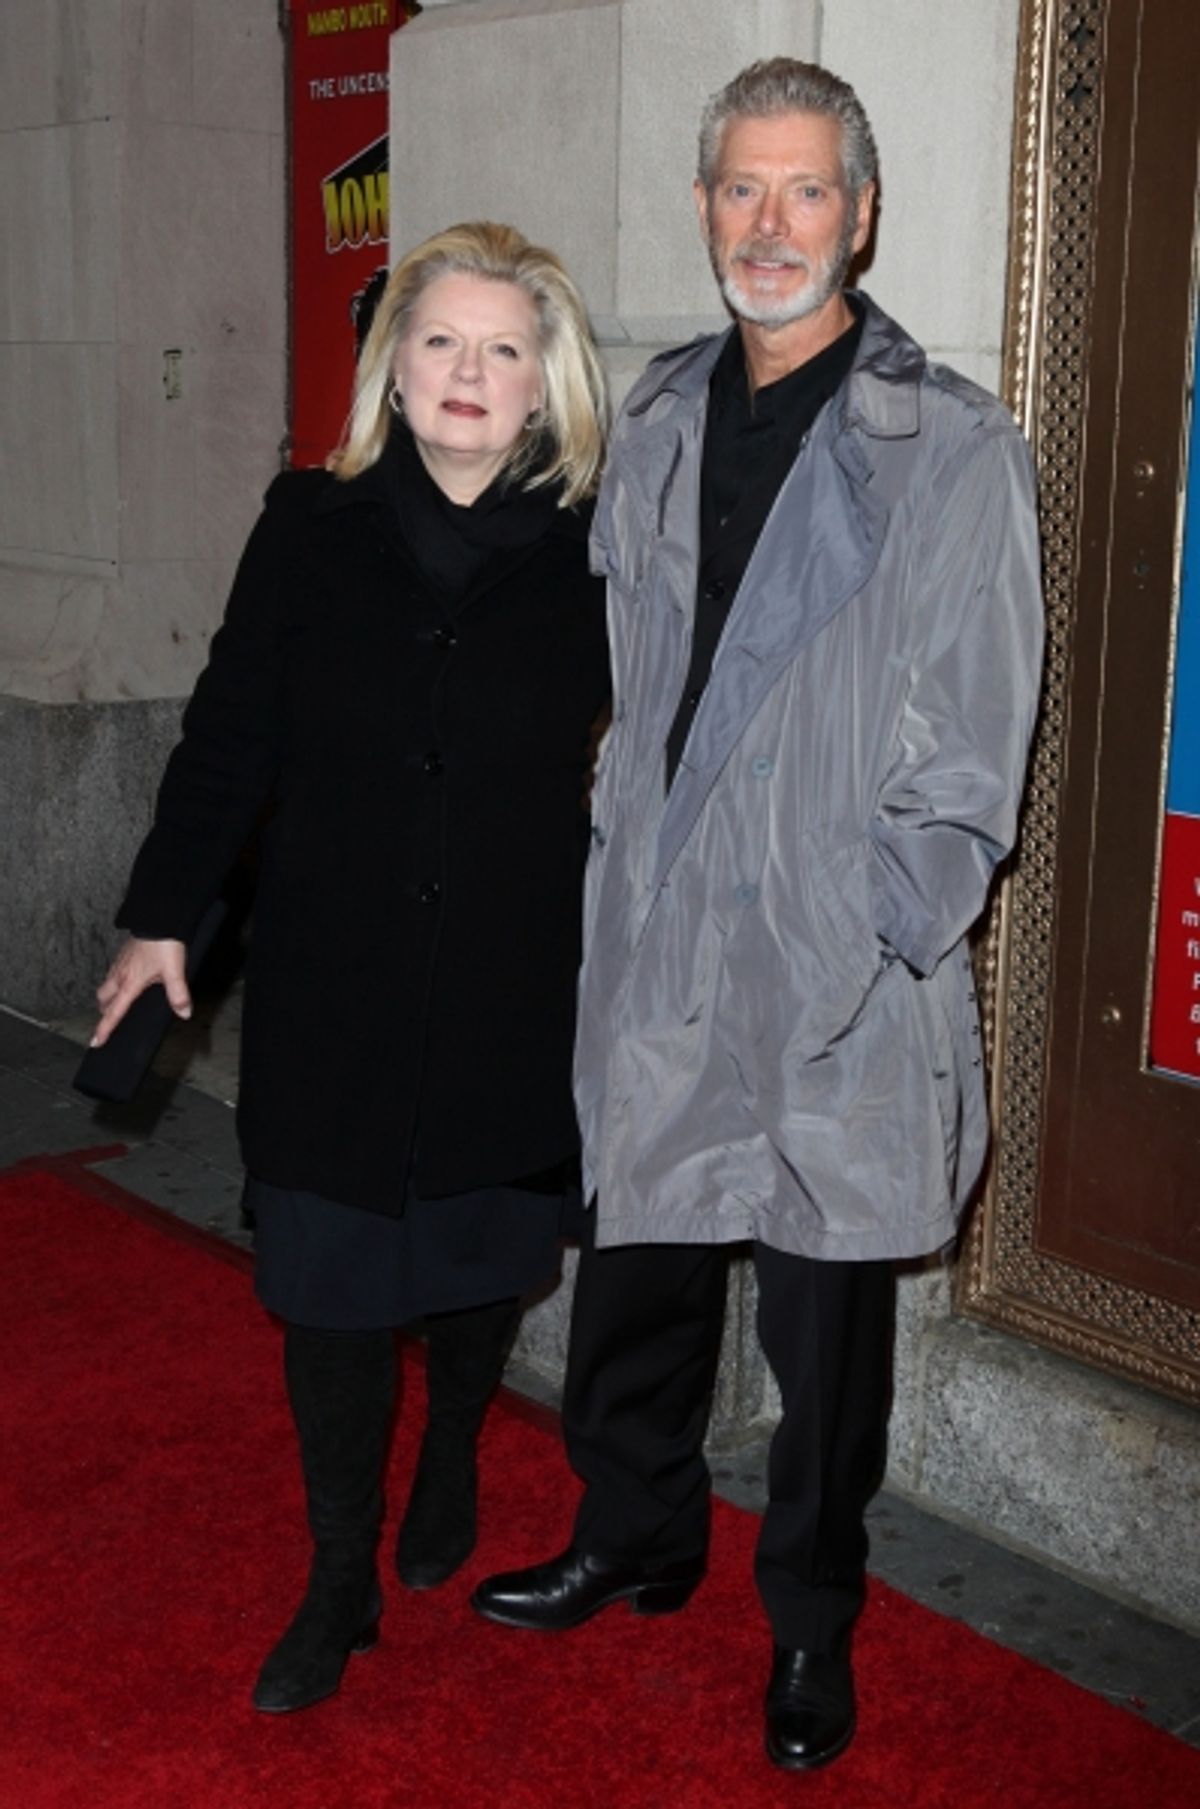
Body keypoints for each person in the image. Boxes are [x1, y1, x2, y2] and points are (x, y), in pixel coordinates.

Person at [472, 60, 1044, 1773]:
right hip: (659, 939)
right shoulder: (650, 416)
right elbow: (619, 675)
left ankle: (809, 1624)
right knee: (637, 1271)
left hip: (831, 964)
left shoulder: (948, 444)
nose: (770, 224)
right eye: (740, 189)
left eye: (806, 192)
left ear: (861, 215)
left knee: (823, 1330)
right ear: (707, 205)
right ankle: (635, 1532)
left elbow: (978, 739)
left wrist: (874, 926)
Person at [91, 221, 610, 1715]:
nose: (469, 371)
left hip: (513, 979)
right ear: (396, 364)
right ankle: (338, 1579)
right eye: (441, 340)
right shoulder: (308, 526)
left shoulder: (596, 550)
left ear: (542, 386)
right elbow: (229, 733)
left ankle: (452, 1435)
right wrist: (162, 913)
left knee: (472, 1266)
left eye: (504, 349)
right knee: (325, 1283)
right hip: (334, 977)